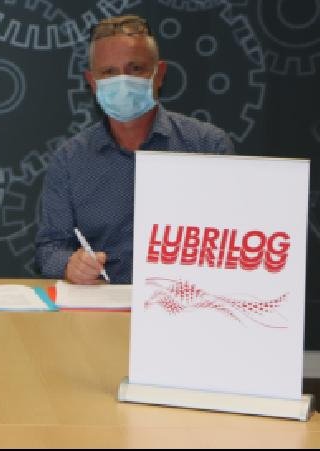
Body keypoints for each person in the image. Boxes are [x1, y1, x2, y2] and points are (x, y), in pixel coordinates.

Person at [35, 15, 234, 285]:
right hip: (101, 312)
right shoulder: (70, 160)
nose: (123, 82)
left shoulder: (207, 146)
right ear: (92, 82)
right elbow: (48, 249)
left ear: (159, 74)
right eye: (109, 72)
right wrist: (70, 265)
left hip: (188, 306)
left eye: (135, 68)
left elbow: (235, 240)